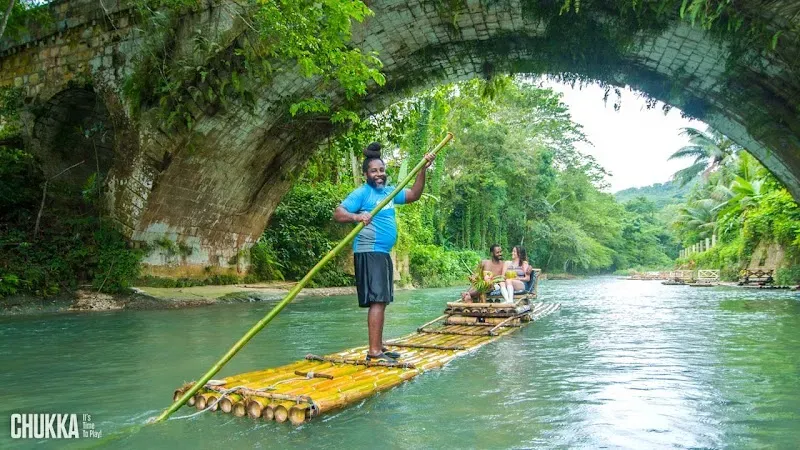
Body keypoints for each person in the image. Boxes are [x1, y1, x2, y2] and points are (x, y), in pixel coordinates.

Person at [333, 142, 436, 363]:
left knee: (383, 300)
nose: (379, 174)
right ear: (366, 174)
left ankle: (378, 347)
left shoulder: (390, 192)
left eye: (381, 170)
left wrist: (422, 170)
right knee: (377, 301)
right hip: (369, 251)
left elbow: (414, 195)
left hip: (382, 253)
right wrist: (357, 217)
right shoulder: (362, 193)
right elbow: (339, 213)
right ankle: (374, 352)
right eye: (374, 171)